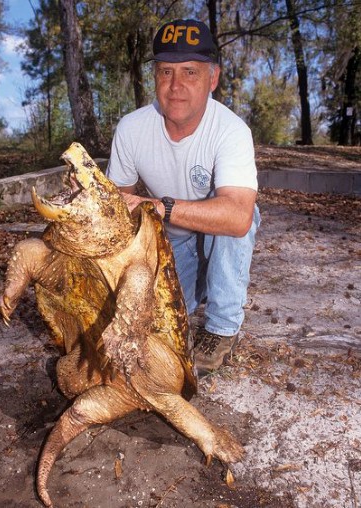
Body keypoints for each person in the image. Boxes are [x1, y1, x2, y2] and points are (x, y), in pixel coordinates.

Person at [107, 18, 260, 375]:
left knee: (246, 216)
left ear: (213, 78)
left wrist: (161, 206)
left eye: (190, 72)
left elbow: (237, 217)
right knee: (147, 327)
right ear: (155, 78)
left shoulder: (231, 130)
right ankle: (201, 285)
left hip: (216, 238)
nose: (175, 86)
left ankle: (222, 327)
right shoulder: (132, 128)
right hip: (171, 247)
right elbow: (115, 208)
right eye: (165, 72)